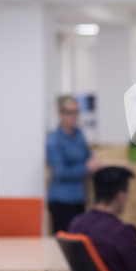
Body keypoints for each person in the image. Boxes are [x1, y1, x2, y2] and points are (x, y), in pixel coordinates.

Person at [47, 95, 101, 233]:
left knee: (79, 242)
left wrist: (92, 162)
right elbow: (60, 172)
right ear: (60, 114)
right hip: (62, 200)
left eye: (76, 112)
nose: (74, 116)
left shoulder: (79, 134)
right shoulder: (54, 140)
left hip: (79, 198)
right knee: (64, 244)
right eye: (69, 112)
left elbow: (87, 156)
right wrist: (86, 167)